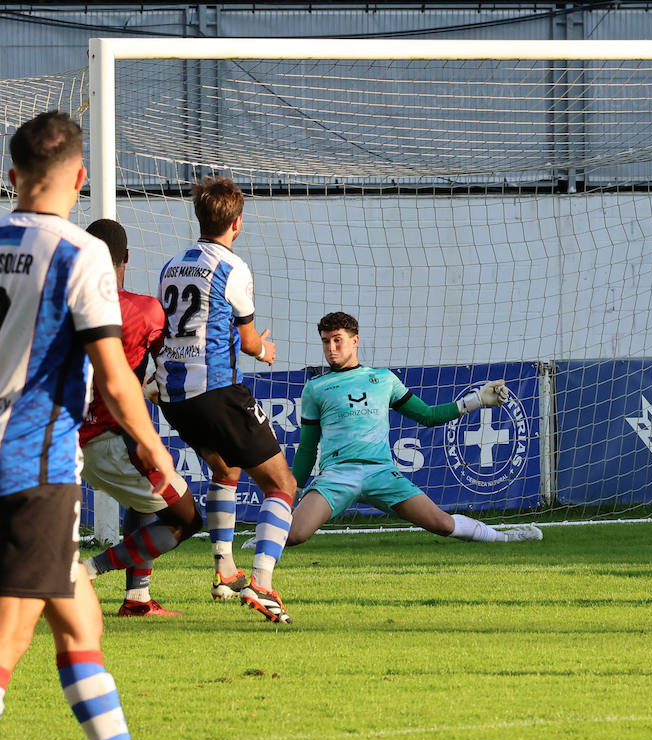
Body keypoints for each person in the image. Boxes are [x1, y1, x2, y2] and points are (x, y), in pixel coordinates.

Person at [0, 110, 202, 740]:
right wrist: (153, 450)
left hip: (23, 472)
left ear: (11, 177)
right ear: (81, 180)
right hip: (32, 472)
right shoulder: (78, 253)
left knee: (81, 622)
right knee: (8, 643)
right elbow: (115, 380)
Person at [156, 175, 296, 622]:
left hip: (173, 396)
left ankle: (224, 571)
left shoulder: (172, 265)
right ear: (236, 223)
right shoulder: (233, 267)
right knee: (281, 485)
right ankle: (263, 584)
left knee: (225, 468)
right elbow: (249, 339)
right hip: (215, 389)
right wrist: (264, 350)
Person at [286, 312, 543, 547]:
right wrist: (291, 495)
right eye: (325, 341)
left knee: (442, 524)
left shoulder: (384, 379)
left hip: (382, 473)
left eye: (337, 340)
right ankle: (268, 538)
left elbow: (427, 415)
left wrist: (476, 400)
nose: (331, 348)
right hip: (338, 475)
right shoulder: (315, 388)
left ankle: (505, 537)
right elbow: (308, 447)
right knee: (294, 534)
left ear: (355, 341)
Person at [80, 218, 203, 617]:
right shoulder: (145, 310)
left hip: (70, 443)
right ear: (126, 258)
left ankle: (137, 599)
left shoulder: (64, 308)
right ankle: (86, 571)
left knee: (145, 504)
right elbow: (168, 369)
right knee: (186, 520)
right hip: (118, 438)